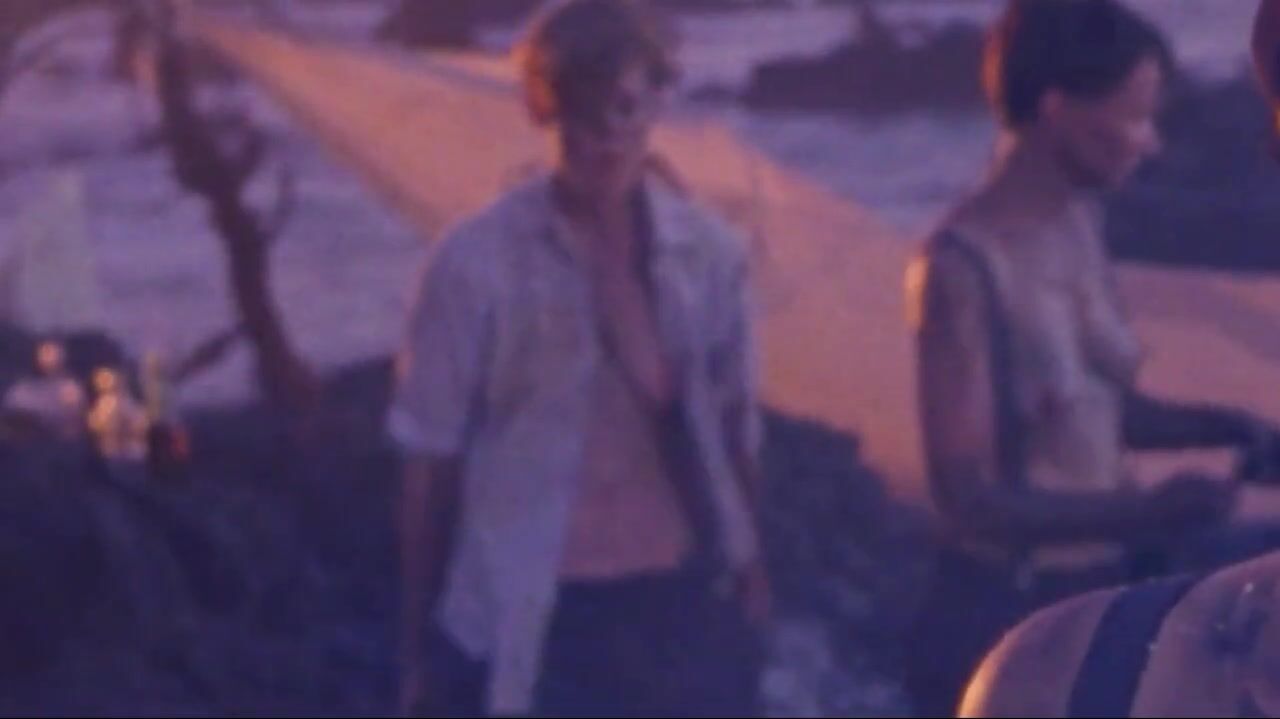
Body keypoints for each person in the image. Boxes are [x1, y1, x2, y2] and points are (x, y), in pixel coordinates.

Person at [386, 1, 770, 716]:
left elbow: (736, 431)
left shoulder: (709, 258)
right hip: (538, 614)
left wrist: (753, 573)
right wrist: (417, 652)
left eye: (626, 107)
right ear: (546, 108)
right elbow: (429, 465)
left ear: (657, 100)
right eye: (585, 112)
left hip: (684, 605)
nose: (607, 135)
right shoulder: (475, 264)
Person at [904, 1, 1280, 713]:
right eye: (1134, 117)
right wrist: (1147, 510)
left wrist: (1230, 427)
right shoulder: (960, 263)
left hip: (1096, 585)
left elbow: (1100, 407)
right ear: (1056, 108)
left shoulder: (1078, 224)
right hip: (1004, 609)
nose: (1151, 143)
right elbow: (967, 498)